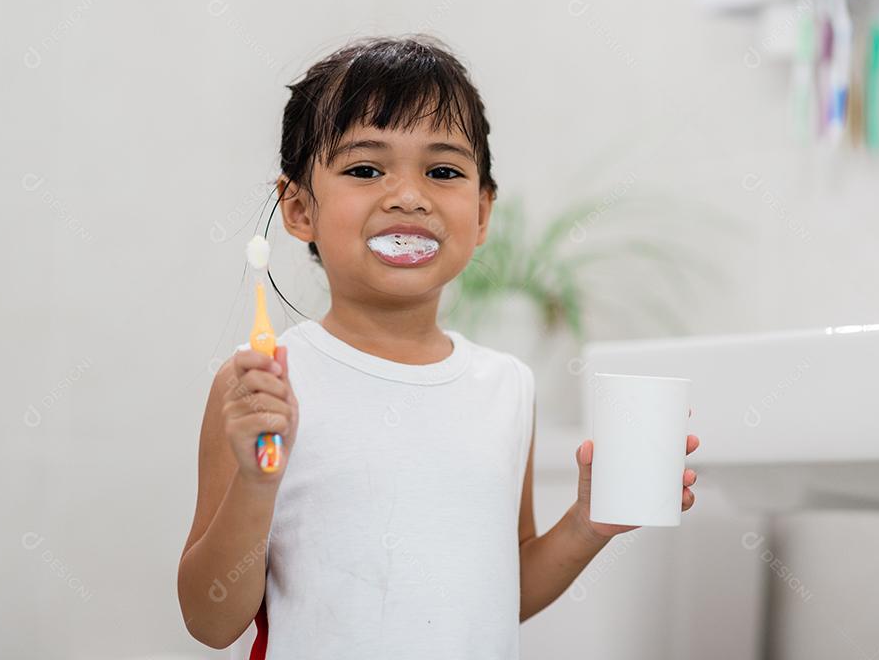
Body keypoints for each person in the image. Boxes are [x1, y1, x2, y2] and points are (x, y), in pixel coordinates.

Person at [177, 34, 700, 659]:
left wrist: (588, 525)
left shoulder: (508, 386)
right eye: (366, 169)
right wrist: (257, 484)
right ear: (298, 209)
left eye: (443, 171)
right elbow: (210, 622)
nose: (410, 196)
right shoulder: (266, 386)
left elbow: (504, 589)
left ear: (481, 214)